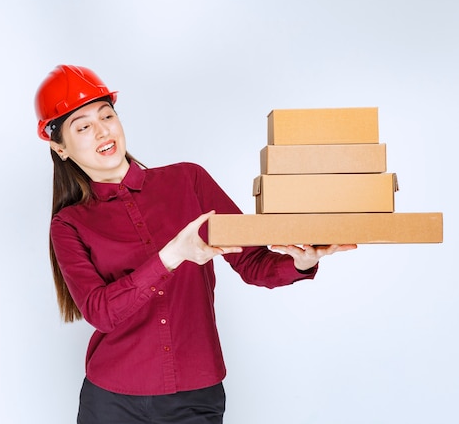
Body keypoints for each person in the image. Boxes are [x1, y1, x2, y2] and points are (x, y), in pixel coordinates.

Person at [34, 64, 356, 424]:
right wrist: (172, 255)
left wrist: (300, 262)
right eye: (83, 127)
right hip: (112, 401)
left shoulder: (189, 180)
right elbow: (100, 312)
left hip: (195, 395)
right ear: (60, 148)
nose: (102, 131)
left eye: (107, 115)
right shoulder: (69, 224)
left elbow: (251, 263)